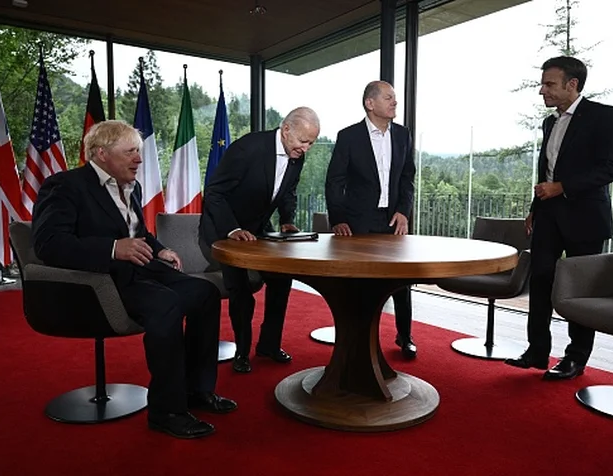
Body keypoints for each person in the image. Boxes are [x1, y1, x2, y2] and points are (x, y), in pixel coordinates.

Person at [32, 120, 237, 439]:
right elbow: (48, 244)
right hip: (101, 280)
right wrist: (113, 249)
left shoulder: (132, 186)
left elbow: (136, 233)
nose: (139, 160)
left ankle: (197, 390)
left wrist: (160, 249)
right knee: (165, 305)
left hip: (142, 270)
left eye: (139, 152)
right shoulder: (64, 186)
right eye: (130, 152)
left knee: (205, 293)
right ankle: (166, 411)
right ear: (101, 153)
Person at [505, 56, 613, 379]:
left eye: (549, 84)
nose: (542, 91)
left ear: (572, 85)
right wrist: (535, 206)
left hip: (585, 218)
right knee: (540, 280)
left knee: (578, 291)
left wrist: (562, 188)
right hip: (548, 216)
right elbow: (546, 170)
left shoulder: (604, 116)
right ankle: (537, 351)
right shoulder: (549, 122)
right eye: (542, 84)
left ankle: (575, 358)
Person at [200, 107, 321, 374]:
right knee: (240, 286)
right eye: (303, 141)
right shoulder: (248, 148)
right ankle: (242, 352)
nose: (306, 149)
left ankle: (268, 345)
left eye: (311, 143)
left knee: (281, 278)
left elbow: (287, 191)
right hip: (223, 231)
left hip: (258, 230)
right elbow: (214, 193)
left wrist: (287, 220)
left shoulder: (295, 155)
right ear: (286, 129)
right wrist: (232, 229)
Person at [325, 80, 417, 359]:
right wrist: (338, 219)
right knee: (360, 284)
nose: (395, 102)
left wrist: (404, 210)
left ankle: (405, 336)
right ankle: (357, 337)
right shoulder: (348, 136)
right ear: (370, 103)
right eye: (389, 98)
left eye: (395, 98)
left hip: (392, 221)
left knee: (402, 282)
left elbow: (407, 177)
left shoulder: (402, 135)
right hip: (357, 223)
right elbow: (334, 181)